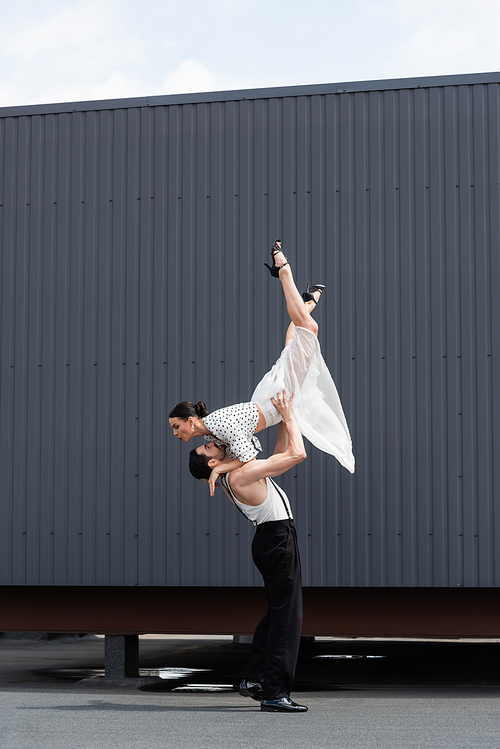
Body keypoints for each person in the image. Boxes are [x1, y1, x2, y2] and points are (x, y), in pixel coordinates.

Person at [168, 241, 355, 494]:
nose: (175, 433)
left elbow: (249, 461)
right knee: (293, 344)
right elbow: (243, 455)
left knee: (308, 331)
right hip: (268, 400)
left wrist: (219, 469)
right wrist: (218, 469)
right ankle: (308, 302)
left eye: (176, 427)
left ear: (191, 422)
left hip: (274, 398)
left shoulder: (217, 428)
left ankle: (284, 273)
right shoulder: (210, 435)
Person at [193, 389, 308, 713]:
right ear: (213, 462)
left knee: (277, 613)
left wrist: (287, 414)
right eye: (209, 446)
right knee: (288, 617)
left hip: (269, 540)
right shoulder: (241, 474)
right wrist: (287, 416)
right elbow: (296, 455)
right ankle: (274, 692)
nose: (213, 440)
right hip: (277, 540)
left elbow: (276, 452)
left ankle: (254, 678)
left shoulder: (234, 473)